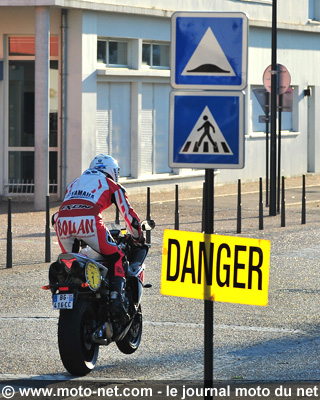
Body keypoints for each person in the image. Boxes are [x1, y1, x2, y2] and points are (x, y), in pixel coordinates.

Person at [54, 154, 144, 321]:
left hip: (61, 222)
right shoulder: (112, 184)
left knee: (71, 263)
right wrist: (138, 238)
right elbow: (130, 219)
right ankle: (116, 299)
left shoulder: (74, 183)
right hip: (90, 221)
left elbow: (57, 214)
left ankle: (72, 297)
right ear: (113, 172)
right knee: (117, 256)